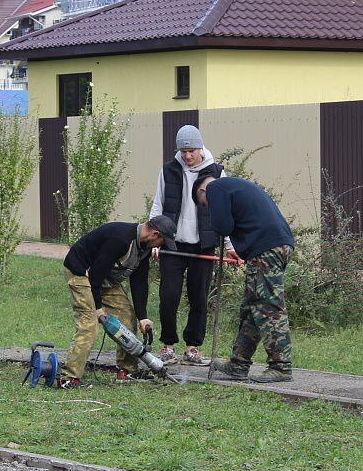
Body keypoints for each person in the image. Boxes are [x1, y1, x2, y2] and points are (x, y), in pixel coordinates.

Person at [195, 176, 295, 384]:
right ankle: (238, 364)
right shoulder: (233, 186)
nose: (209, 208)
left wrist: (217, 222)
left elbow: (222, 225)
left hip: (266, 248)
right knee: (251, 308)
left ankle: (281, 366)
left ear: (202, 192)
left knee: (268, 307)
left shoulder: (214, 187)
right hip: (275, 245)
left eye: (205, 205)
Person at [58, 215, 177, 390]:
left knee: (127, 315)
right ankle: (69, 378)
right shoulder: (121, 239)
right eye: (162, 241)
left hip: (103, 277)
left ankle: (127, 371)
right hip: (81, 272)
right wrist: (98, 309)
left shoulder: (143, 248)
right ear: (154, 234)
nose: (161, 246)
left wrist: (142, 317)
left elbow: (139, 282)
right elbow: (95, 274)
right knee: (89, 324)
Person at [148, 125, 224, 366]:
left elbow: (226, 211)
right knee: (168, 296)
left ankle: (193, 348)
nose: (187, 156)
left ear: (200, 148)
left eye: (191, 151)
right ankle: (168, 346)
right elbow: (158, 206)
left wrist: (230, 245)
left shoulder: (217, 172)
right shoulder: (168, 171)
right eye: (183, 151)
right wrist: (153, 239)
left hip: (203, 245)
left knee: (198, 297)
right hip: (172, 244)